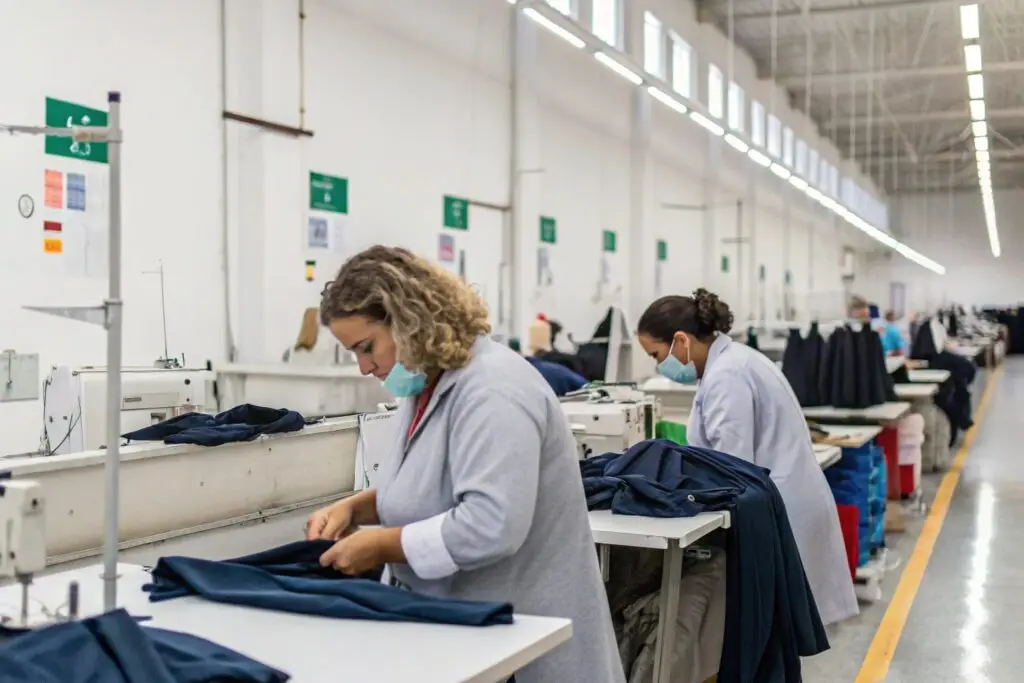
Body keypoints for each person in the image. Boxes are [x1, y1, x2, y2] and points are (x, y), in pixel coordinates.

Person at [306, 246, 624, 683]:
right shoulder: (428, 384)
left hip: (522, 629)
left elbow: (490, 525)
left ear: (409, 319)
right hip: (468, 627)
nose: (363, 367)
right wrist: (355, 509)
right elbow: (429, 484)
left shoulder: (493, 389)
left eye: (366, 347)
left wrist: (380, 547)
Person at [636, 288, 858, 626]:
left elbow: (732, 467)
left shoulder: (728, 375)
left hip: (782, 510)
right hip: (784, 501)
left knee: (777, 633)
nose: (659, 366)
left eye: (656, 355)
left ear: (681, 340)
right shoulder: (733, 361)